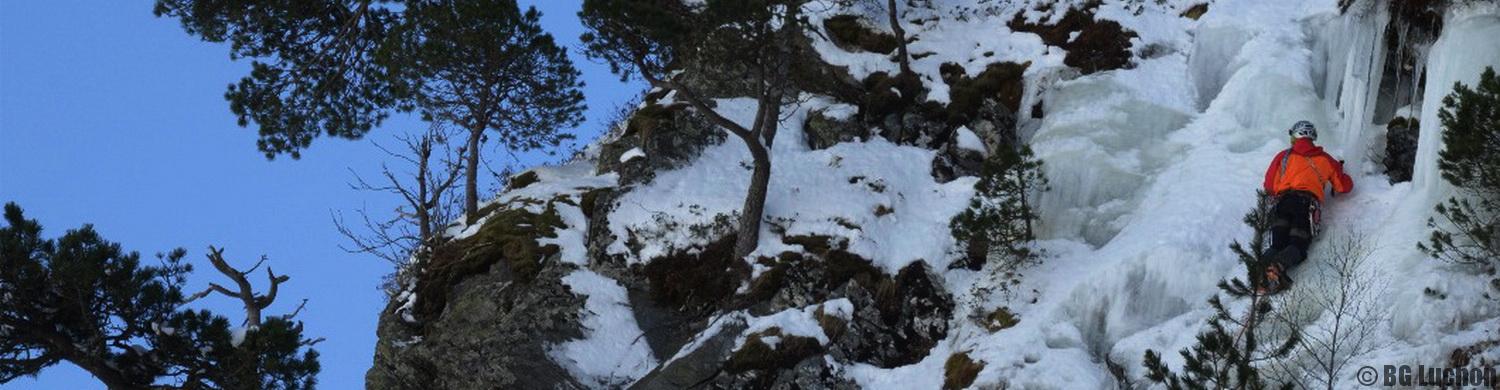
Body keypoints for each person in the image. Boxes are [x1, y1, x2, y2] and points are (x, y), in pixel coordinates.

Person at [1259, 120, 1354, 294]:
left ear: (1296, 135)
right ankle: (1277, 268)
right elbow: (1344, 187)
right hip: (1305, 206)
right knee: (1298, 244)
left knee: (1277, 244)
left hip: (1283, 203)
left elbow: (1269, 186)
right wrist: (1339, 169)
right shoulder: (1325, 159)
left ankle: (1259, 273)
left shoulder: (1283, 156)